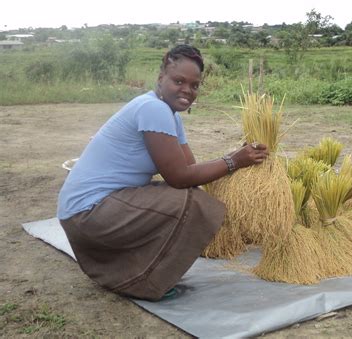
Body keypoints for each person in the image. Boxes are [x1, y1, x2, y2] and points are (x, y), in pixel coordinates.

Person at [57, 45, 269, 301]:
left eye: (194, 85)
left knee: (193, 197)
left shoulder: (168, 114)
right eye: (179, 81)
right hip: (88, 213)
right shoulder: (152, 109)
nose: (187, 91)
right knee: (193, 204)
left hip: (94, 209)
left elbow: (192, 171)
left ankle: (130, 270)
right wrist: (234, 160)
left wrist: (237, 157)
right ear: (161, 79)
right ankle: (141, 280)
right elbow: (179, 177)